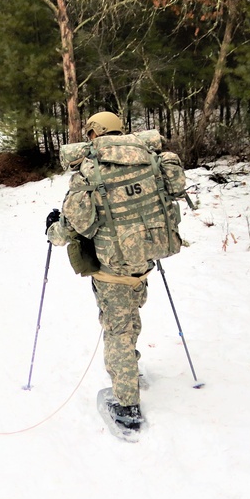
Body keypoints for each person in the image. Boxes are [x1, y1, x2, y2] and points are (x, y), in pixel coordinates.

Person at [45, 112, 188, 434]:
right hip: (147, 254)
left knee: (118, 330)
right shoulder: (149, 159)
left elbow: (72, 226)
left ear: (94, 133)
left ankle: (127, 407)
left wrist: (52, 229)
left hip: (113, 264)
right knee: (129, 318)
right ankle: (130, 370)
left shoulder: (91, 170)